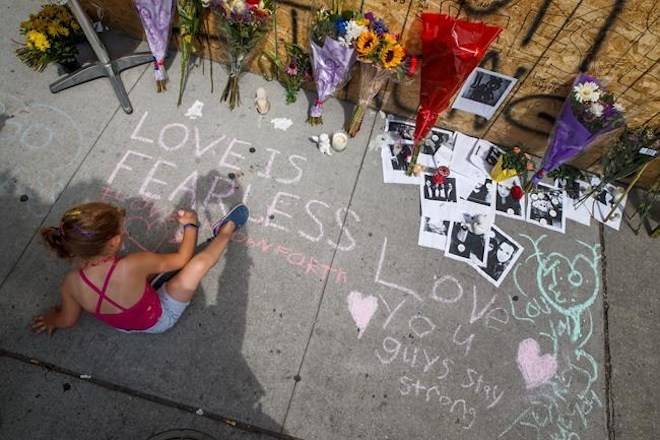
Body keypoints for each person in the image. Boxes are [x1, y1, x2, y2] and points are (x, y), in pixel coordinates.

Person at [32, 202, 249, 335]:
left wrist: (52, 319)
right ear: (114, 242)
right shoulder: (135, 264)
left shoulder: (71, 284)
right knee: (199, 265)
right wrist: (190, 225)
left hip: (125, 327)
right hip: (159, 319)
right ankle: (225, 231)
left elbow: (68, 320)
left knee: (152, 278)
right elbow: (182, 258)